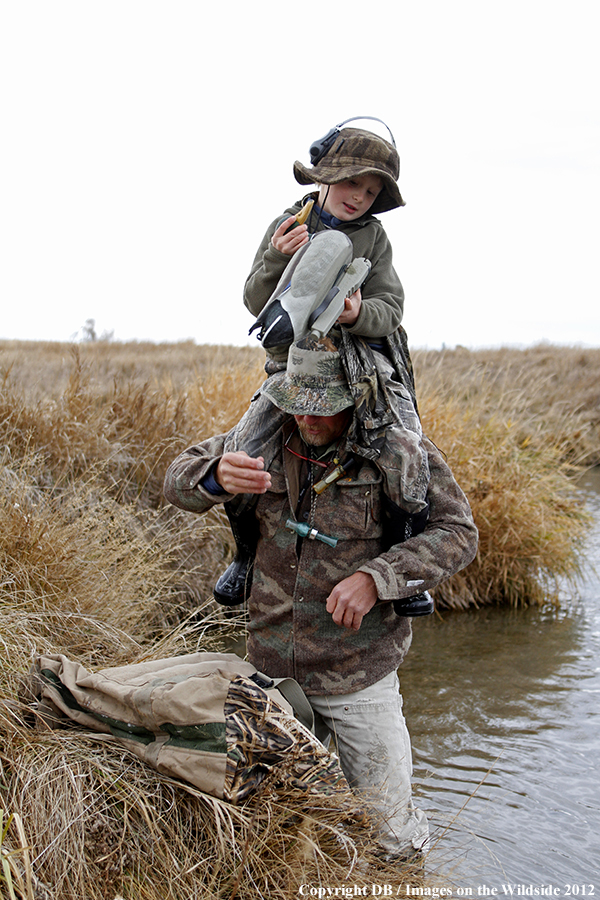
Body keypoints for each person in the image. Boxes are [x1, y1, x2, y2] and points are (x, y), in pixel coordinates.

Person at [163, 335, 478, 863]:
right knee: (270, 830)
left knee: (393, 840)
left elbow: (458, 533)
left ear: (353, 400)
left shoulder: (401, 454)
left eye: (322, 409)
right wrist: (214, 476)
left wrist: (380, 577)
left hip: (359, 675)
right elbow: (176, 481)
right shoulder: (258, 439)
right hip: (271, 676)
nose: (306, 420)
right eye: (296, 405)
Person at [244, 118, 407, 369]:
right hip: (291, 359)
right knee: (265, 408)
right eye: (352, 181)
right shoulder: (287, 227)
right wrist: (278, 257)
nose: (359, 197)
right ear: (324, 177)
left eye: (371, 192)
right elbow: (255, 303)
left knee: (396, 408)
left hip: (359, 359)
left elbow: (390, 306)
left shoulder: (374, 238)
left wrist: (358, 314)